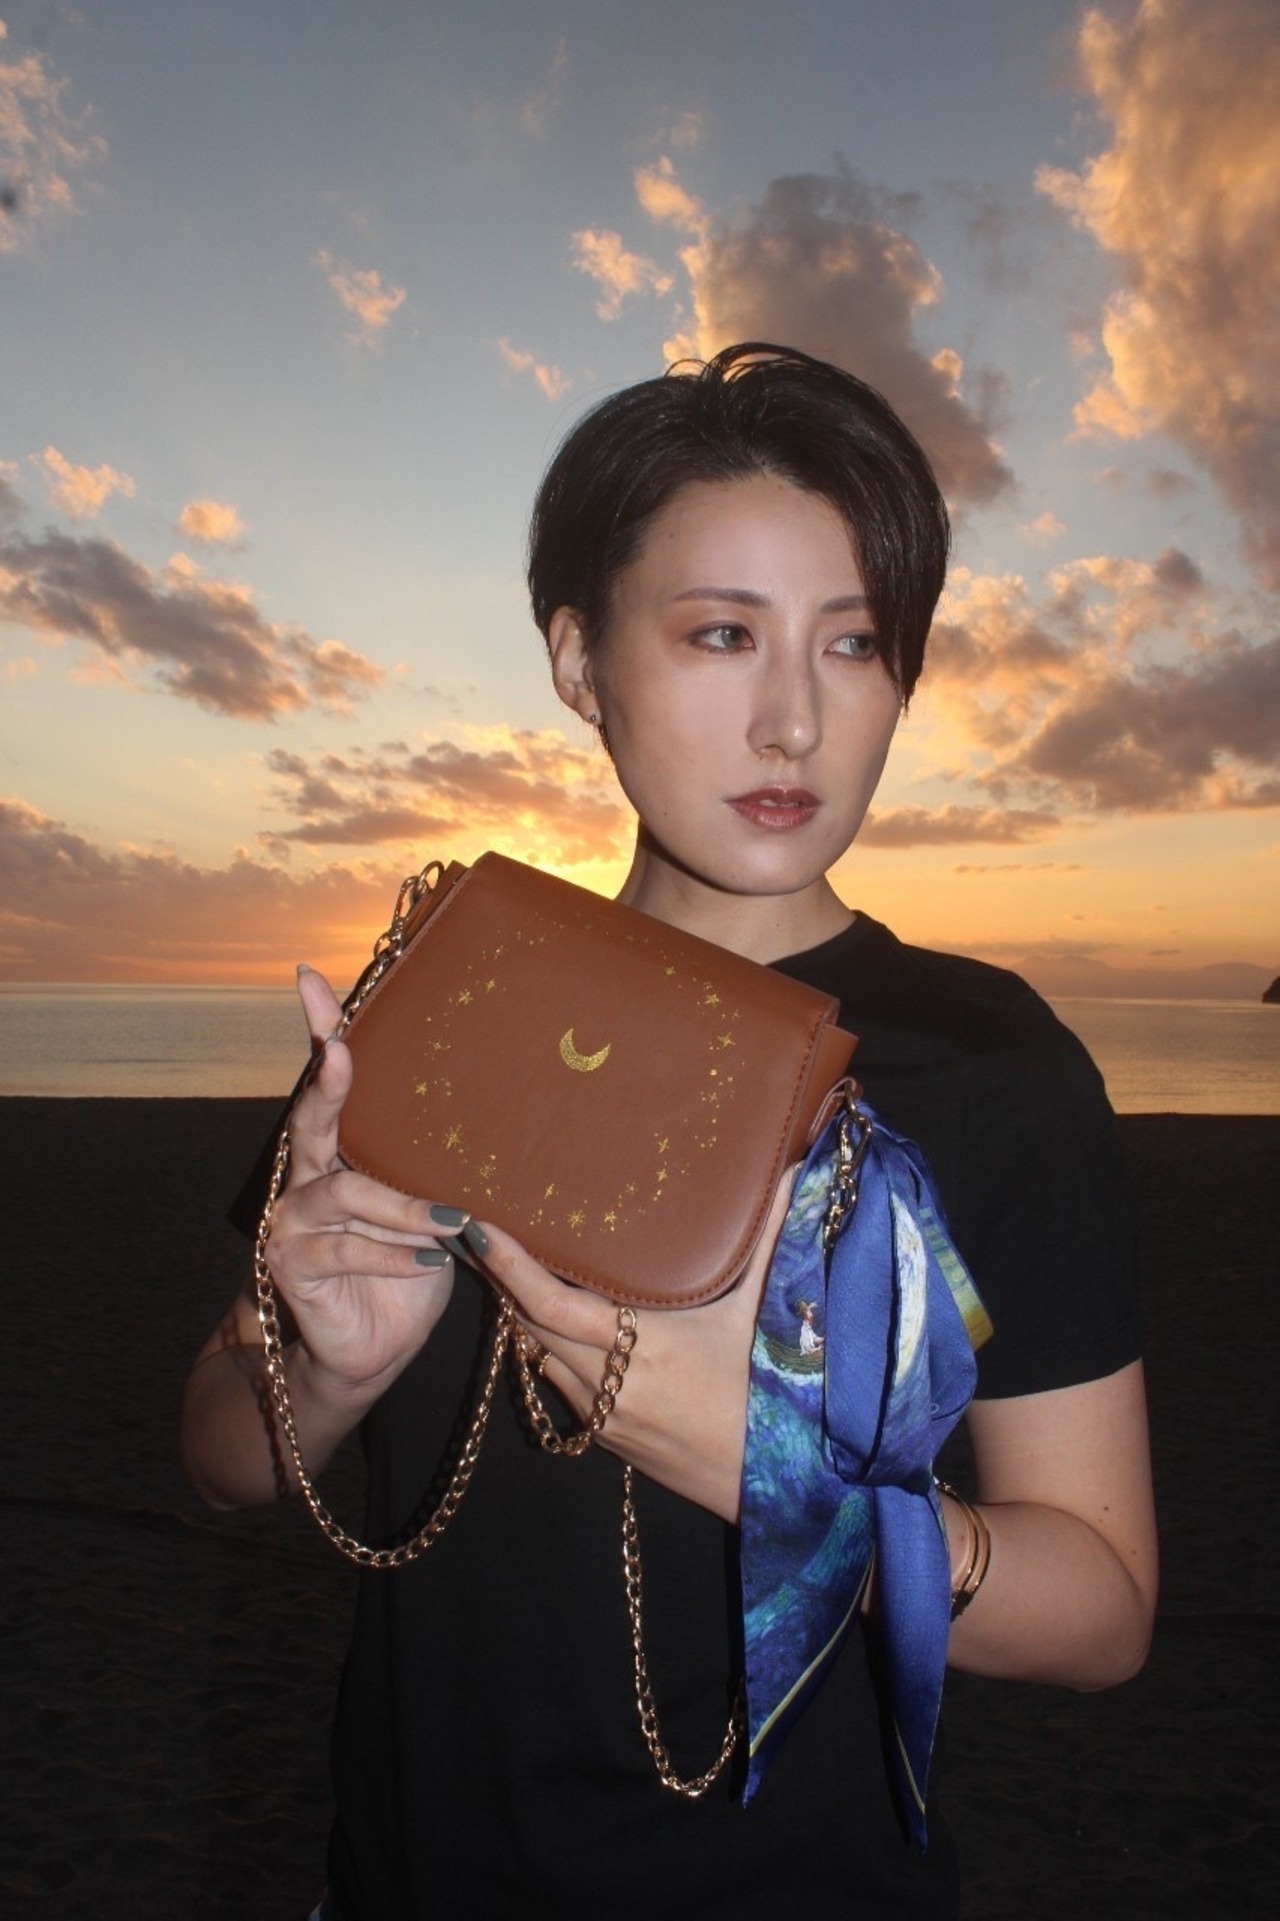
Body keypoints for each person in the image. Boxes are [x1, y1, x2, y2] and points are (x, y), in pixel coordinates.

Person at [180, 343, 1157, 1920]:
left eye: (856, 643)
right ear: (580, 658)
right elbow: (227, 1449)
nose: (794, 721)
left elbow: (1101, 1607)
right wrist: (323, 1372)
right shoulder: (453, 986)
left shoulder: (992, 1068)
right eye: (722, 634)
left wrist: (793, 1491)